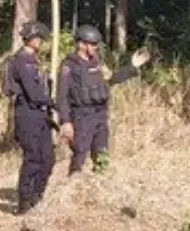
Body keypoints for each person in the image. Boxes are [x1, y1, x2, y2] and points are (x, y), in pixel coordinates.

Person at [55, 25, 150, 176]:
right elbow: (61, 95)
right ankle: (73, 184)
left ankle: (100, 180)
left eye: (96, 44)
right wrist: (65, 121)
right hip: (81, 115)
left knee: (101, 151)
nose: (95, 47)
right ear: (81, 44)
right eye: (92, 44)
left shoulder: (97, 63)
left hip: (100, 114)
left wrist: (132, 67)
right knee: (80, 153)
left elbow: (112, 79)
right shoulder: (69, 66)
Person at [3, 20, 55, 215]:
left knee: (48, 159)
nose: (41, 42)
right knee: (33, 158)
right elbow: (33, 94)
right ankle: (24, 202)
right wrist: (53, 102)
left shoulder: (34, 60)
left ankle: (37, 197)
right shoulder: (22, 61)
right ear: (31, 39)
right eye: (39, 39)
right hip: (27, 115)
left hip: (41, 116)